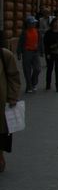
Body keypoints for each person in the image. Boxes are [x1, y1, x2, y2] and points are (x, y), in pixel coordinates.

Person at [0, 44, 21, 173]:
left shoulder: (5, 55)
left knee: (1, 133)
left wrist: (13, 96)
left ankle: (0, 155)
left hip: (1, 103)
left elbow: (14, 77)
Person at [17, 16, 43, 93]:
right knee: (27, 70)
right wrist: (19, 53)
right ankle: (29, 86)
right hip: (27, 52)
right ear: (27, 24)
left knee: (37, 69)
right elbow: (20, 43)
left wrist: (41, 51)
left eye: (34, 23)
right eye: (32, 23)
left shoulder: (37, 31)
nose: (34, 24)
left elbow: (40, 42)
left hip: (35, 52)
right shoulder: (24, 32)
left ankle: (33, 83)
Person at [44, 18, 58, 92]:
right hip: (50, 54)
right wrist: (47, 53)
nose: (57, 24)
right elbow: (46, 44)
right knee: (49, 69)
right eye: (55, 23)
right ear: (52, 23)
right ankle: (48, 84)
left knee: (57, 69)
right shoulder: (48, 33)